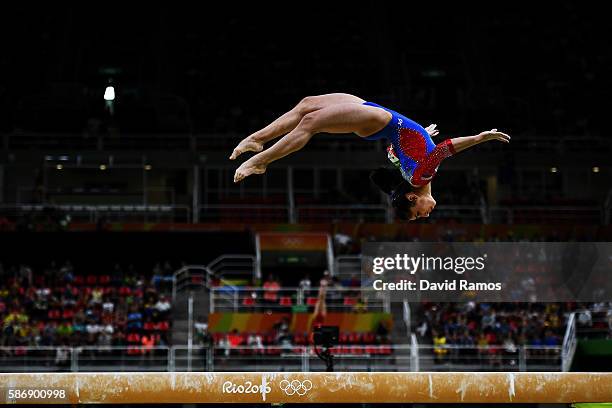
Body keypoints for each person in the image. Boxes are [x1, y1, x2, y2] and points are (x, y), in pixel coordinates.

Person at [231, 93, 510, 220]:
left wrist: (478, 138)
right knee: (307, 106)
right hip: (376, 117)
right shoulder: (414, 175)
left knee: (310, 122)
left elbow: (441, 149)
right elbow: (396, 151)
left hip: (378, 119)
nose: (425, 215)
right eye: (419, 217)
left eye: (417, 215)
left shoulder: (419, 177)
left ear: (412, 198)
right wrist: (421, 134)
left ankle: (261, 160)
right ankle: (257, 140)